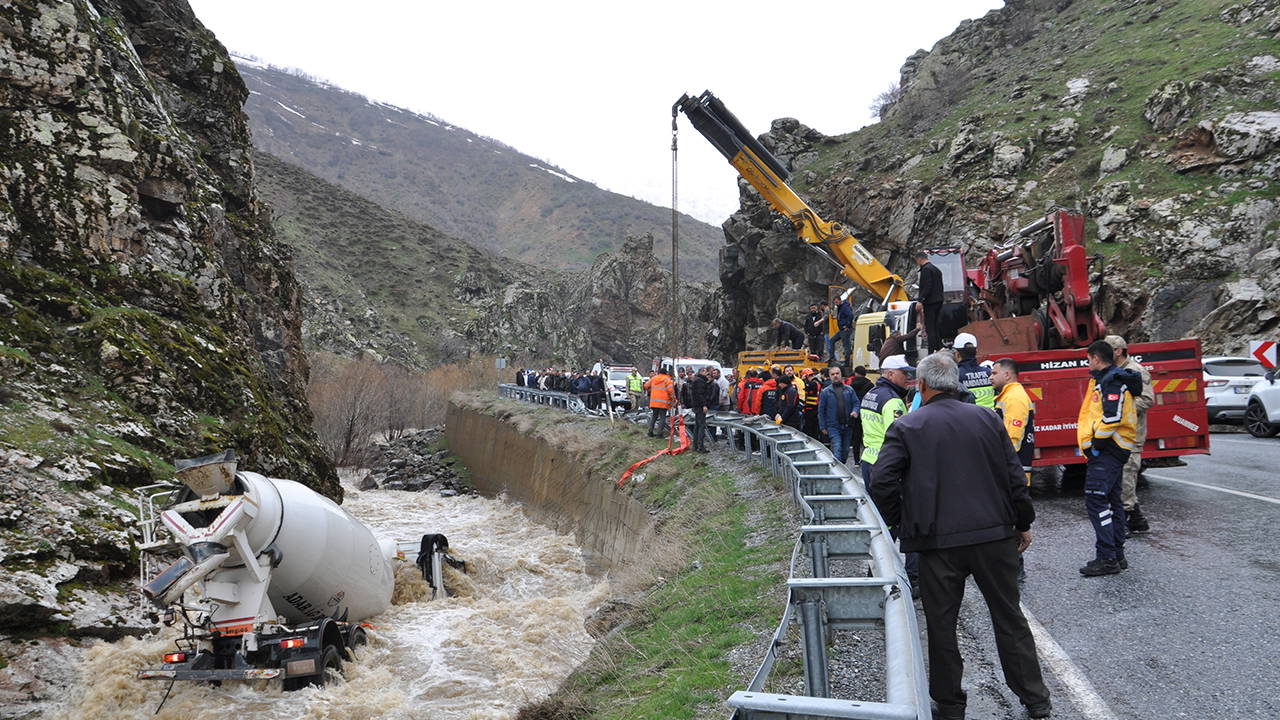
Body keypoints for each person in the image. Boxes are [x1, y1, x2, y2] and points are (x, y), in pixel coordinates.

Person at [870, 352, 1051, 720]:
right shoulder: (987, 418)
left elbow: (881, 480)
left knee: (942, 625)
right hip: (993, 536)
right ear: (956, 382)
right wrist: (1023, 522)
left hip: (937, 544)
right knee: (1009, 618)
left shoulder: (908, 426)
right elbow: (1014, 477)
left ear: (921, 385)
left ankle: (950, 704)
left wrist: (903, 523)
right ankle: (1036, 700)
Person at [1076, 340, 1141, 577]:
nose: (1088, 363)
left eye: (1088, 359)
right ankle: (1117, 554)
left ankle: (1107, 557)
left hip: (1108, 450)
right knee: (1112, 501)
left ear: (1095, 358)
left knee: (1096, 500)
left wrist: (1096, 444)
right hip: (1112, 449)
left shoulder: (1111, 381)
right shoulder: (1108, 380)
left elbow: (1111, 419)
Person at [992, 357, 1035, 581]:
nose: (990, 377)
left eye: (994, 373)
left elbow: (1012, 440)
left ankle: (1014, 568)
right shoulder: (1007, 396)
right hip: (1012, 470)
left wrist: (995, 464)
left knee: (1011, 521)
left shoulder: (1015, 398)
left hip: (1013, 472)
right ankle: (1011, 566)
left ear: (1007, 375)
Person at [1105, 335, 1154, 534]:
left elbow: (1147, 400)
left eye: (1108, 350)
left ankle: (1124, 520)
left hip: (1131, 435)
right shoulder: (1115, 371)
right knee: (1122, 475)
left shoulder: (1134, 371)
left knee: (1126, 474)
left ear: (1118, 351)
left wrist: (1120, 408)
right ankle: (1137, 520)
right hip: (1119, 434)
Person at [858, 355, 913, 487]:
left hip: (868, 459)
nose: (908, 377)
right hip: (886, 464)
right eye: (904, 373)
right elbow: (900, 437)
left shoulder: (871, 394)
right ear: (890, 374)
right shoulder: (893, 401)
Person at [818, 366, 859, 463]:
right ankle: (838, 475)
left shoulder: (849, 390)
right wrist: (823, 426)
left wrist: (855, 411)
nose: (835, 376)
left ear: (841, 375)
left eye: (837, 373)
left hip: (848, 425)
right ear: (829, 376)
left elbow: (856, 403)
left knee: (845, 451)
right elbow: (821, 410)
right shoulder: (825, 392)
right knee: (837, 449)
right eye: (833, 374)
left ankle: (842, 468)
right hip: (833, 426)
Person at [954, 333, 995, 409]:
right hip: (990, 417)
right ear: (976, 351)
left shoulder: (955, 375)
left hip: (970, 418)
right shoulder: (990, 373)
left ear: (957, 354)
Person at [916, 251, 944, 354]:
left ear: (919, 259)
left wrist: (920, 300)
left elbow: (927, 286)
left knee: (930, 327)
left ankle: (931, 350)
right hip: (939, 301)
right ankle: (939, 346)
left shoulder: (926, 270)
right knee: (936, 325)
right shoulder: (936, 269)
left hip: (930, 302)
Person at [689, 368, 717, 453]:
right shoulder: (700, 382)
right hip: (700, 406)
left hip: (697, 406)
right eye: (705, 371)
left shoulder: (698, 380)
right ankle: (700, 447)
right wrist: (704, 405)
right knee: (701, 426)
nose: (707, 373)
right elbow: (700, 395)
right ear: (701, 372)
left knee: (697, 426)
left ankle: (695, 445)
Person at [645, 366, 677, 437]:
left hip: (654, 402)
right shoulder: (667, 379)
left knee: (654, 417)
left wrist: (650, 390)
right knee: (662, 417)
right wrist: (673, 399)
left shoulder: (654, 378)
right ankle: (659, 434)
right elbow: (670, 390)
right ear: (666, 373)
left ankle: (650, 432)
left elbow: (646, 385)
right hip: (663, 402)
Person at [827, 296, 855, 365]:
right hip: (841, 329)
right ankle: (832, 358)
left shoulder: (845, 307)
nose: (836, 304)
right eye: (835, 303)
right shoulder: (840, 307)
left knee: (846, 345)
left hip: (845, 329)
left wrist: (847, 325)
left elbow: (850, 315)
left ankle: (847, 362)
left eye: (836, 302)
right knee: (832, 340)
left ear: (840, 300)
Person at [801, 368, 821, 438]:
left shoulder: (813, 383)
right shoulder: (817, 382)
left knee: (809, 429)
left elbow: (805, 387)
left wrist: (802, 380)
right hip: (813, 408)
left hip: (811, 409)